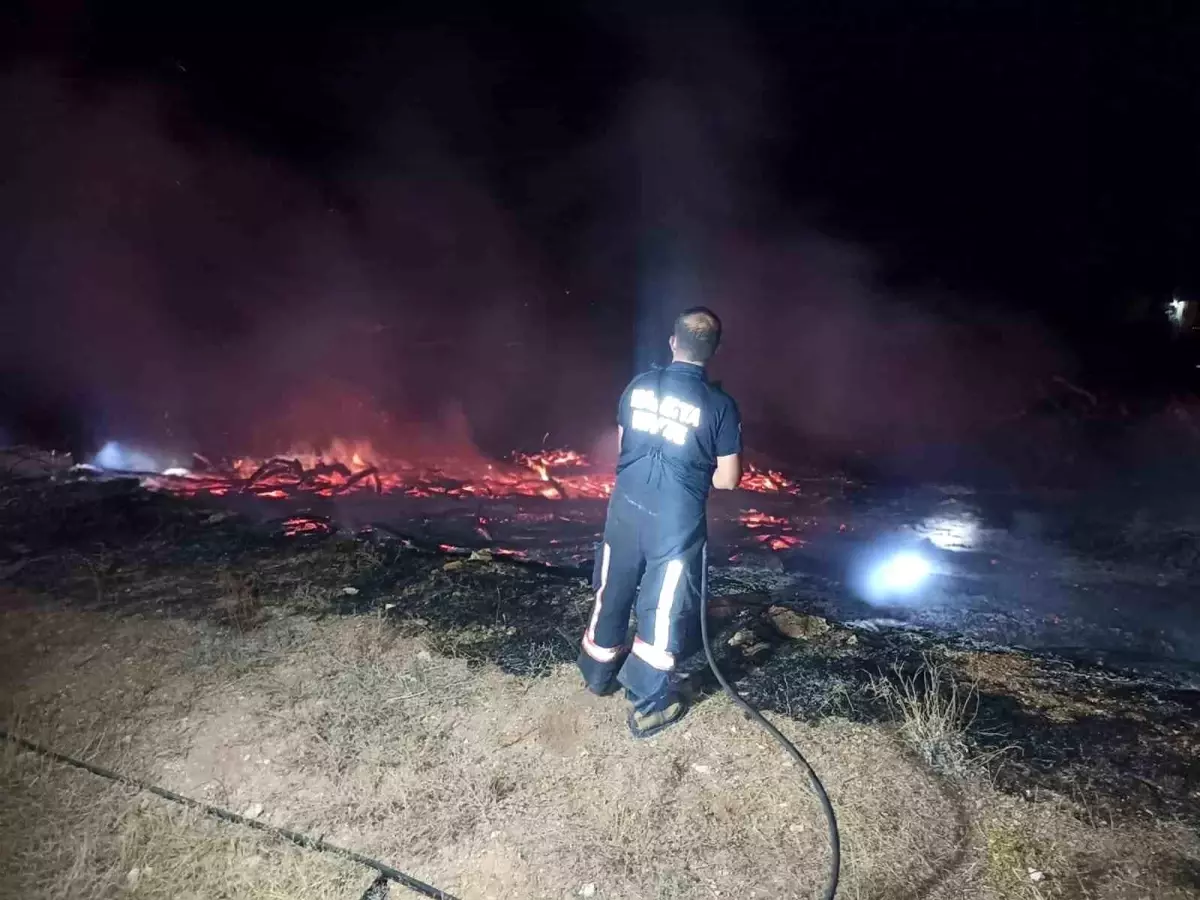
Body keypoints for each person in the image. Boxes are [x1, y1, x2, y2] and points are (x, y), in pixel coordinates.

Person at [578, 306, 742, 737]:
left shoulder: (638, 385)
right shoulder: (720, 406)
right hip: (674, 520)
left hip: (625, 508)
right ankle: (648, 702)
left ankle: (597, 674)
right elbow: (727, 480)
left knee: (612, 588)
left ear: (673, 342)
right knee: (663, 606)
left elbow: (622, 446)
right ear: (714, 351)